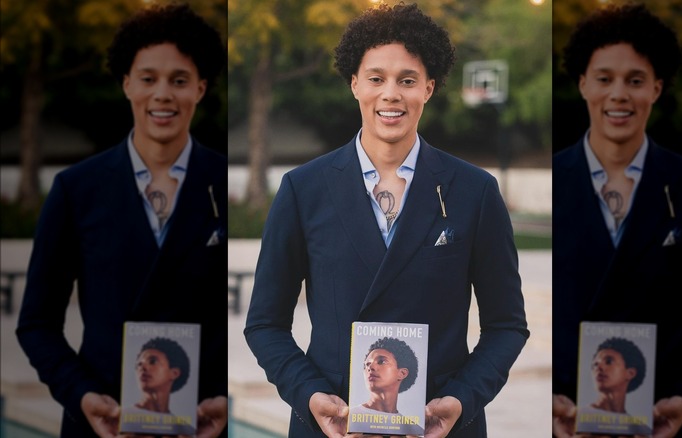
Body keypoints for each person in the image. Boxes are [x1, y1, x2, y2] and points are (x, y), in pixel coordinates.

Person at [244, 3, 528, 438]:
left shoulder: (476, 191)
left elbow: (506, 325)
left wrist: (460, 400)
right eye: (376, 78)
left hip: (442, 428)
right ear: (354, 84)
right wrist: (310, 396)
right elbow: (265, 323)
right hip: (331, 426)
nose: (391, 94)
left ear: (429, 88)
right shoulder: (303, 189)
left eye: (407, 80)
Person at [15, 4, 228, 437]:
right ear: (127, 84)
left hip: (202, 424)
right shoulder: (76, 189)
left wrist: (225, 399)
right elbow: (36, 324)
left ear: (201, 89)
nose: (163, 94)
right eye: (148, 79)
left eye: (179, 80)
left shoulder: (222, 182)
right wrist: (81, 395)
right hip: (101, 423)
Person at [552, 4, 682, 438]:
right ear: (583, 84)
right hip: (565, 424)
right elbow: (510, 323)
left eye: (635, 80)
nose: (619, 94)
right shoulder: (552, 185)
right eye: (605, 78)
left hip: (670, 425)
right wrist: (549, 402)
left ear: (657, 89)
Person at [350, 337, 425, 436]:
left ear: (402, 373)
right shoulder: (349, 419)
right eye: (367, 364)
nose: (370, 367)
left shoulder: (413, 430)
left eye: (381, 361)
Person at [123, 337, 196, 436]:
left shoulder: (185, 430)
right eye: (139, 364)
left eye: (152, 361)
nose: (142, 367)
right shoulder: (121, 420)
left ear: (174, 373)